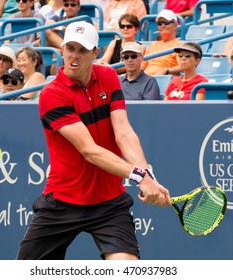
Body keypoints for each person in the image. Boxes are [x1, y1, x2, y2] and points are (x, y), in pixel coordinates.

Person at [16, 21, 171, 260]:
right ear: (63, 50)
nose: (74, 56)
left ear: (95, 53)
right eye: (70, 48)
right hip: (63, 202)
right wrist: (139, 176)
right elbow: (89, 150)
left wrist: (147, 175)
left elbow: (124, 132)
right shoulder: (52, 95)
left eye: (82, 50)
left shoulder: (108, 77)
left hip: (109, 203)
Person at [141, 9, 183, 76]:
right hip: (146, 80)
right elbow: (142, 67)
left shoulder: (179, 45)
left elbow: (183, 66)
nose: (163, 25)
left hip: (164, 80)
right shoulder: (152, 44)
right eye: (159, 23)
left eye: (166, 22)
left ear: (175, 25)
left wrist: (166, 71)